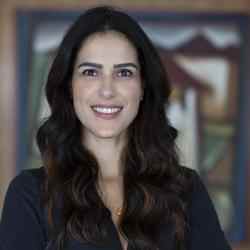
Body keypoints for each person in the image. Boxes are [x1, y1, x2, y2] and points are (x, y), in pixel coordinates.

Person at [0, 6, 232, 250]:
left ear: (142, 86)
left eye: (124, 72)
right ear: (70, 85)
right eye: (90, 72)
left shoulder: (186, 190)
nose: (107, 90)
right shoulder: (30, 194)